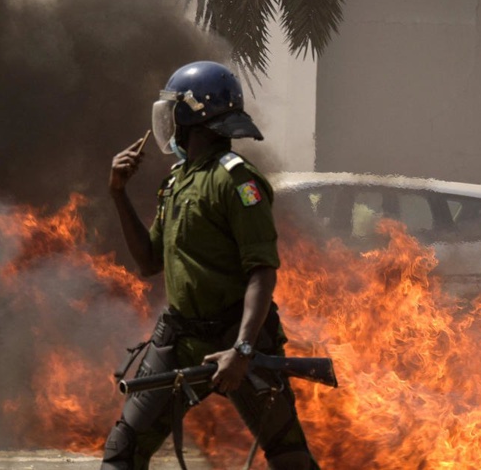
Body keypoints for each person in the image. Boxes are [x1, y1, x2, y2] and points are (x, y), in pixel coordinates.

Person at [101, 61, 320, 470]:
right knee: (123, 452)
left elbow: (262, 271)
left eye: (174, 110)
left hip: (235, 336)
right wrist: (118, 194)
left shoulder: (236, 180)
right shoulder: (177, 180)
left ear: (191, 116)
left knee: (288, 456)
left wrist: (242, 350)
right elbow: (149, 262)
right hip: (180, 336)